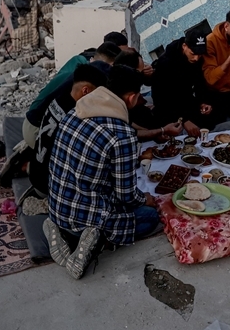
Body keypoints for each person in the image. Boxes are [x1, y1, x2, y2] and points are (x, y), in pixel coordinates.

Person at [45, 65, 161, 279]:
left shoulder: (75, 111)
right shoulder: (122, 134)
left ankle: (56, 226)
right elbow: (126, 195)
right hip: (85, 216)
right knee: (151, 217)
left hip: (57, 204)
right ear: (133, 98)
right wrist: (144, 198)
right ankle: (95, 239)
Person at [28, 63, 107, 197]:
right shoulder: (74, 116)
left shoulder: (59, 100)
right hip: (48, 186)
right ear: (86, 91)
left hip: (35, 172)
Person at [152, 26, 213, 134]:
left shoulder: (197, 59)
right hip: (169, 110)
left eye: (200, 54)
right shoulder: (166, 63)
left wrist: (203, 102)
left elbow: (200, 83)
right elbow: (160, 98)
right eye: (193, 54)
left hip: (187, 104)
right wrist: (184, 119)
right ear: (184, 46)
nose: (196, 58)